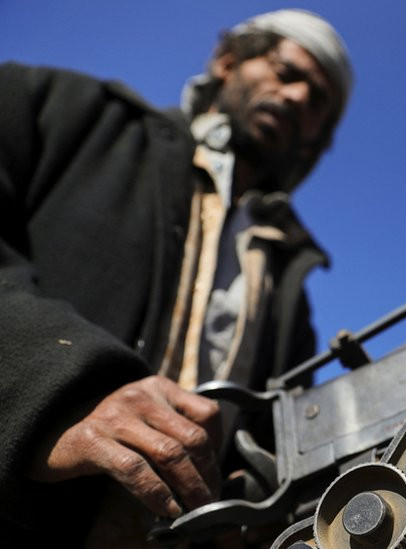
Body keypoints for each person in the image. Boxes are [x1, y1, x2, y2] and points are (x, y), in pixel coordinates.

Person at [0, 9, 352, 544]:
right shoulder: (65, 112)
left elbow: (274, 441)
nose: (300, 98)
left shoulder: (287, 282)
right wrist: (53, 390)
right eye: (286, 72)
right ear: (228, 61)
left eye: (319, 103)